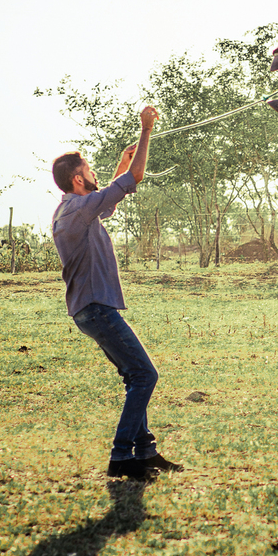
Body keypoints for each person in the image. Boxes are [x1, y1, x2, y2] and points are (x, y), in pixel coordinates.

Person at [51, 105, 181, 481]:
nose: (94, 175)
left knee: (134, 376)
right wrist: (145, 132)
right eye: (89, 171)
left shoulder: (72, 209)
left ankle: (145, 451)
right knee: (145, 375)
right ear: (78, 180)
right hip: (97, 308)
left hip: (89, 310)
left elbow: (110, 196)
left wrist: (120, 166)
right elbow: (133, 180)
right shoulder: (78, 209)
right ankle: (122, 456)